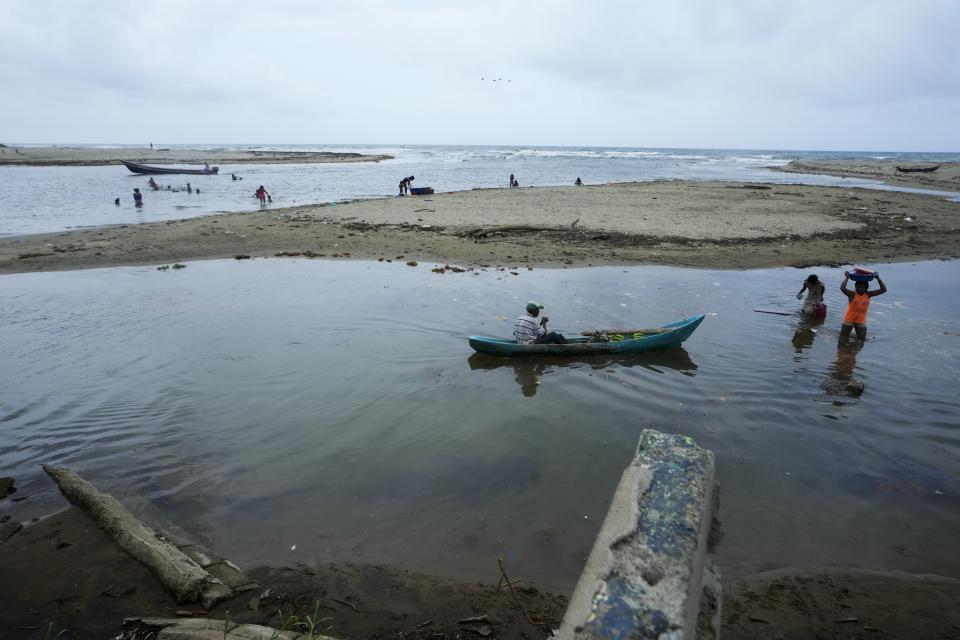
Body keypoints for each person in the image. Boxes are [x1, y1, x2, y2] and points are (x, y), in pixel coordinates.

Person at [839, 271, 887, 341]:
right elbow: (842, 288)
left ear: (866, 288)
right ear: (855, 287)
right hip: (849, 319)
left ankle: (854, 349)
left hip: (861, 320)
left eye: (862, 287)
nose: (860, 289)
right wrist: (847, 278)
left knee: (861, 339)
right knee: (843, 337)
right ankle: (843, 350)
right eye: (858, 287)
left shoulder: (868, 294)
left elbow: (883, 290)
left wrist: (878, 278)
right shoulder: (852, 294)